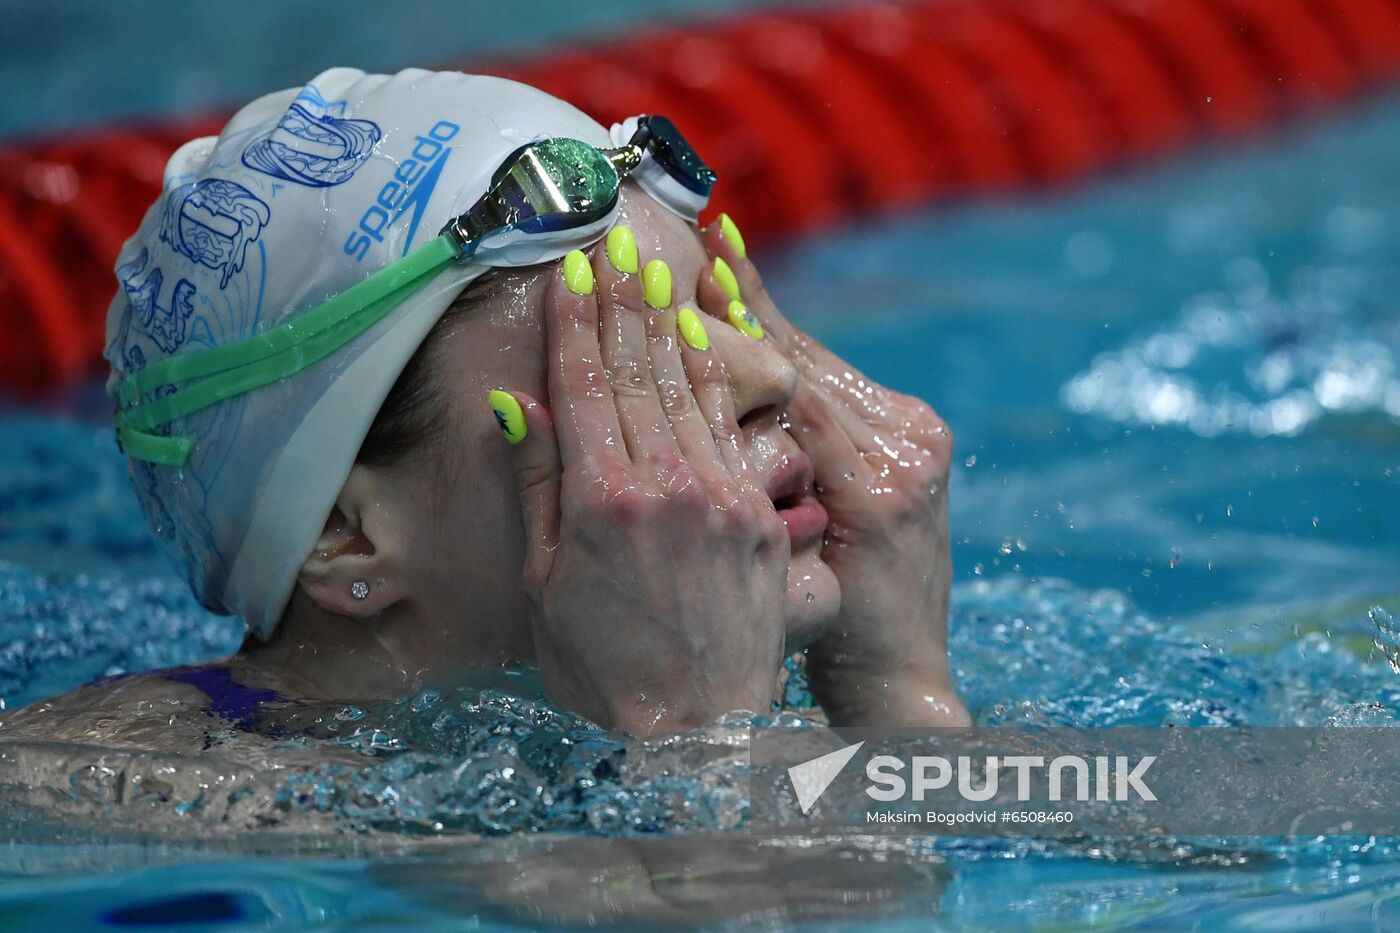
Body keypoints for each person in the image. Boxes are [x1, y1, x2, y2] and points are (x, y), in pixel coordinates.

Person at [4, 67, 967, 749]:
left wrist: (898, 693)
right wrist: (694, 741)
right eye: (626, 362)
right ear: (342, 530)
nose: (770, 376)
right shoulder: (145, 802)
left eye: (716, 314)